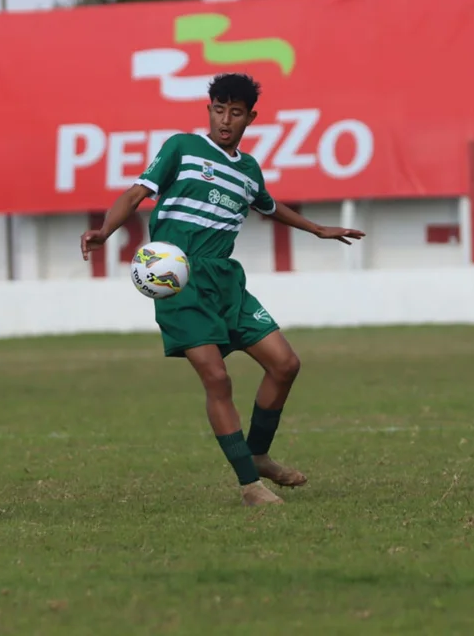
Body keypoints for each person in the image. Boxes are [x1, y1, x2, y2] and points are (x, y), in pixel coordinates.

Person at [81, 73, 365, 507]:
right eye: (218, 110)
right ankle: (250, 485)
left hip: (227, 282)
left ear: (251, 117)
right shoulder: (182, 148)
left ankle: (259, 454)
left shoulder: (248, 170)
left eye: (235, 113)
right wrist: (104, 231)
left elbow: (270, 206)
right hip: (179, 282)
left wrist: (317, 229)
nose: (225, 120)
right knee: (217, 378)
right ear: (208, 109)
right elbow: (137, 193)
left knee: (286, 364)